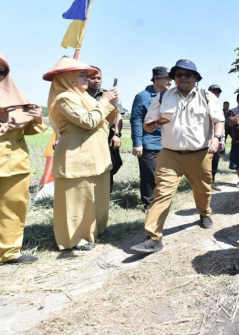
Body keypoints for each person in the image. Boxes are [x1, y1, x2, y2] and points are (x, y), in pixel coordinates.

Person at [130, 59, 224, 254]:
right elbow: (148, 122)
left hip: (199, 155)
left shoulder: (207, 97)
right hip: (169, 155)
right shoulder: (163, 96)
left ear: (196, 78)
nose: (183, 78)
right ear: (174, 77)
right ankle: (153, 237)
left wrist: (216, 138)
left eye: (188, 75)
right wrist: (151, 125)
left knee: (202, 190)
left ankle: (204, 213)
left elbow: (219, 120)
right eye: (179, 74)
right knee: (161, 193)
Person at [45, 57, 120, 251]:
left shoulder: (85, 97)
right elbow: (88, 121)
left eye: (87, 75)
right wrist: (104, 101)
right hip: (76, 158)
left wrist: (111, 103)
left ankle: (95, 231)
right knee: (77, 202)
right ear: (67, 78)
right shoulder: (64, 99)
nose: (87, 78)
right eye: (81, 75)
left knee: (97, 198)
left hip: (97, 157)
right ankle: (76, 238)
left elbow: (107, 120)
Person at [0, 48, 47, 264]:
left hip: (16, 163)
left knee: (12, 208)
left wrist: (37, 120)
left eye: (1, 71)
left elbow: (30, 132)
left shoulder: (19, 97)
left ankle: (7, 253)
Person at [130, 66, 172, 211]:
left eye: (170, 78)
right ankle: (149, 204)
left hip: (168, 143)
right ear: (156, 79)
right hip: (149, 143)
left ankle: (162, 202)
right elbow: (136, 120)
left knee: (165, 176)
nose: (170, 81)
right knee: (149, 175)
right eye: (167, 78)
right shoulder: (142, 97)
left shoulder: (170, 96)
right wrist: (137, 143)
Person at [87, 66, 126, 191]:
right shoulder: (79, 95)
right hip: (87, 134)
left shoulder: (108, 95)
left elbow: (118, 114)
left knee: (114, 163)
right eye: (92, 78)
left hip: (106, 134)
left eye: (99, 78)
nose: (96, 80)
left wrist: (117, 134)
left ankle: (106, 190)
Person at [208, 84, 225, 187]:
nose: (215, 93)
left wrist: (222, 139)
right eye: (213, 91)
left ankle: (212, 181)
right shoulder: (204, 103)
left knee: (215, 160)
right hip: (206, 139)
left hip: (217, 139)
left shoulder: (219, 107)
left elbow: (221, 123)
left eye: (217, 92)